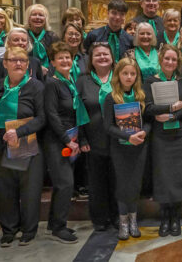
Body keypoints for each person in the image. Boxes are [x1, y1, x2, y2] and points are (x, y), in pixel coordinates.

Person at [0, 46, 46, 246]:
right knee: (4, 191)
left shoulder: (36, 87)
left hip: (27, 145)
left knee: (30, 190)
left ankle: (29, 231)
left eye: (22, 61)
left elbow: (42, 118)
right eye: (13, 60)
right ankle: (9, 230)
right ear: (5, 63)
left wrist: (19, 132)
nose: (18, 64)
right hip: (0, 146)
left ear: (28, 65)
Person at [143, 44, 182, 237]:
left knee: (179, 175)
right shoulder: (150, 81)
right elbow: (147, 108)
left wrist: (172, 115)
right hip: (160, 136)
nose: (170, 62)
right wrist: (169, 109)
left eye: (174, 60)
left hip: (179, 134)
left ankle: (175, 217)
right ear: (161, 60)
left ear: (177, 62)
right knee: (162, 175)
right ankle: (164, 216)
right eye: (167, 59)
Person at [43, 42, 90, 243]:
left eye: (67, 57)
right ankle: (59, 227)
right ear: (52, 62)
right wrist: (66, 140)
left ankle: (53, 223)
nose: (65, 60)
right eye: (60, 57)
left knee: (62, 184)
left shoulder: (70, 79)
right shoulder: (52, 83)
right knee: (65, 183)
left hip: (71, 136)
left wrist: (79, 138)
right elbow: (52, 115)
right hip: (56, 138)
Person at [103, 58, 150, 240]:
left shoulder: (141, 96)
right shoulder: (111, 97)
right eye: (125, 73)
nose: (129, 77)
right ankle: (123, 222)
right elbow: (108, 127)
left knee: (135, 184)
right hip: (120, 148)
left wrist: (143, 133)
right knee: (123, 185)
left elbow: (149, 122)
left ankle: (133, 220)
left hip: (139, 147)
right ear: (118, 75)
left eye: (132, 73)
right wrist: (127, 136)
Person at [77, 43, 117, 231]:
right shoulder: (83, 81)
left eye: (106, 54)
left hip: (118, 138)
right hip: (93, 140)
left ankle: (117, 216)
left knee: (117, 180)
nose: (102, 57)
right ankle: (100, 219)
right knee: (96, 182)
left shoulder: (119, 77)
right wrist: (82, 138)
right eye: (98, 55)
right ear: (91, 60)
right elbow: (78, 111)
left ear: (112, 57)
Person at [25, 4, 59, 73]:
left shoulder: (52, 37)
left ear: (45, 19)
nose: (37, 17)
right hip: (27, 72)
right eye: (34, 15)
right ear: (28, 18)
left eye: (41, 15)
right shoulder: (23, 35)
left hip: (49, 74)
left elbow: (57, 58)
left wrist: (48, 71)